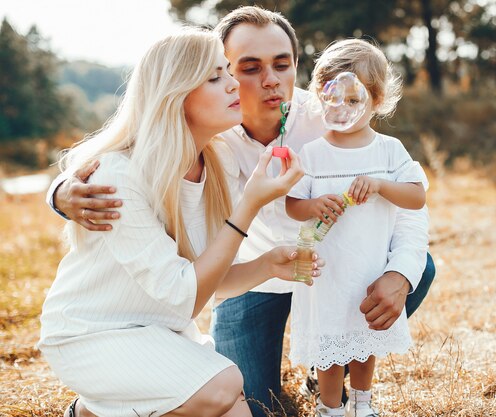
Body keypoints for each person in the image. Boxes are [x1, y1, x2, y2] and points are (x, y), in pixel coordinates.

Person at [46, 6, 436, 417]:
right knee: (250, 401)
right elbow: (128, 153)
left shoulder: (335, 112)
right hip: (250, 281)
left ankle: (328, 365)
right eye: (247, 68)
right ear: (222, 69)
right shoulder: (211, 135)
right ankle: (103, 403)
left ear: (296, 66)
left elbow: (408, 204)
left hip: (334, 273)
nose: (270, 81)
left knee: (419, 268)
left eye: (281, 65)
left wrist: (401, 274)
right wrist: (60, 193)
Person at [37, 28, 320, 417]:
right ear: (176, 92)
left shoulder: (215, 160)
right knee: (225, 384)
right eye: (215, 77)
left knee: (238, 407)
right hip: (93, 334)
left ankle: (95, 413)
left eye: (228, 72)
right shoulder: (119, 176)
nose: (233, 84)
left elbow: (205, 275)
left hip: (159, 331)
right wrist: (249, 205)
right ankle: (92, 409)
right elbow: (183, 296)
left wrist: (267, 264)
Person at [285, 39, 427, 417]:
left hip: (369, 266)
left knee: (364, 339)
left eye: (354, 100)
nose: (342, 109)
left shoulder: (389, 151)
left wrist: (380, 185)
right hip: (328, 272)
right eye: (333, 98)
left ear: (377, 101)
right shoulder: (313, 153)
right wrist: (313, 205)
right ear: (320, 97)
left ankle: (364, 404)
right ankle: (330, 407)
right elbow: (293, 205)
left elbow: (416, 197)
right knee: (330, 343)